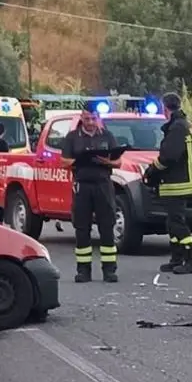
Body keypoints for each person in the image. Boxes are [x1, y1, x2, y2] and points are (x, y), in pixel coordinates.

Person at [145, 93, 192, 275]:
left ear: (165, 108)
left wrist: (151, 171)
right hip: (180, 182)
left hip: (179, 184)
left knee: (177, 223)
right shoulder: (182, 125)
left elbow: (168, 157)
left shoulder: (177, 127)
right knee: (172, 223)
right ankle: (177, 258)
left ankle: (191, 261)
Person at [62, 109, 122, 283]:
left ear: (98, 118)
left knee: (107, 227)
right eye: (86, 118)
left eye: (93, 118)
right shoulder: (72, 137)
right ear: (81, 118)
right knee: (82, 228)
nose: (90, 122)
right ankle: (83, 271)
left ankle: (109, 270)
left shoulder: (107, 136)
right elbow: (63, 161)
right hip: (82, 185)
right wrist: (80, 160)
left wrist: (107, 162)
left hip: (103, 185)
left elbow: (118, 162)